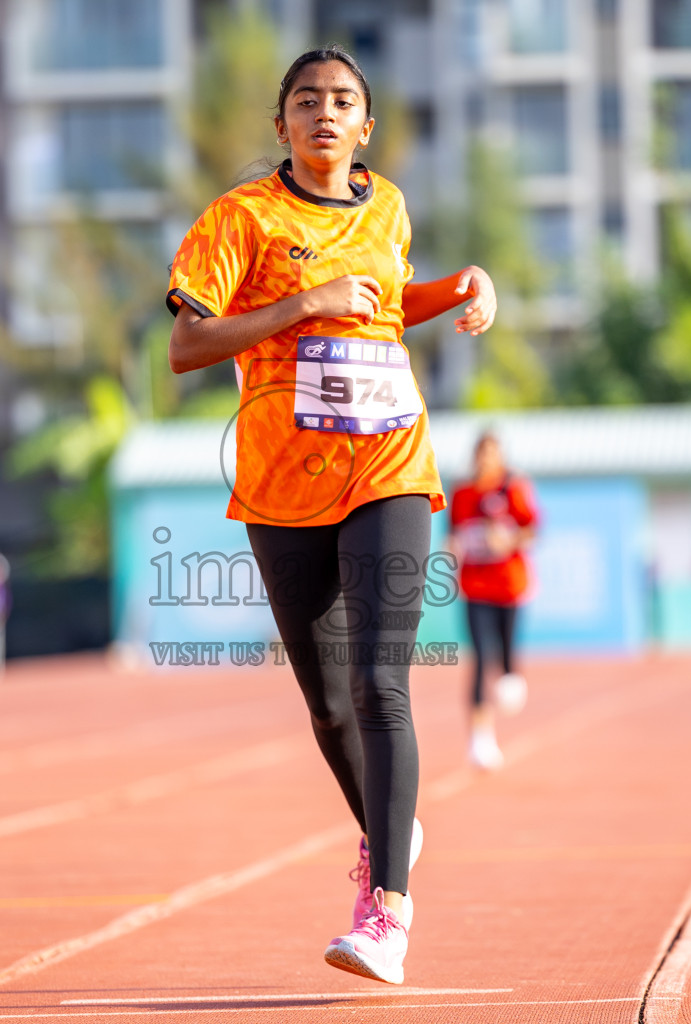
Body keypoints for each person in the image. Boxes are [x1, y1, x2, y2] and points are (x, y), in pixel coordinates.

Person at [166, 45, 498, 986]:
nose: (324, 112)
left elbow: (389, 309)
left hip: (390, 463)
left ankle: (385, 909)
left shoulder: (387, 205)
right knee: (325, 703)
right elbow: (188, 346)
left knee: (380, 684)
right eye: (305, 100)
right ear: (281, 125)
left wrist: (463, 288)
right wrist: (301, 302)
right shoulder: (242, 219)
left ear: (365, 125)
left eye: (342, 100)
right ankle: (394, 830)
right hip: (282, 483)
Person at [449, 432, 538, 771]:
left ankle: (512, 677)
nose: (486, 460)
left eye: (492, 453)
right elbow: (454, 534)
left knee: (506, 660)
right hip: (475, 587)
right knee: (481, 658)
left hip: (510, 586)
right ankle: (480, 738)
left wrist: (509, 539)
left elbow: (532, 530)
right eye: (481, 453)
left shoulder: (513, 488)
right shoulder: (463, 493)